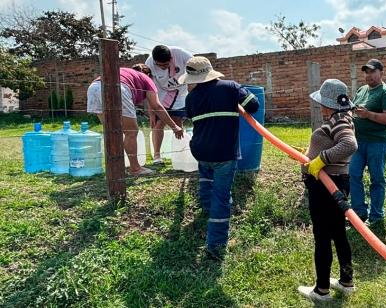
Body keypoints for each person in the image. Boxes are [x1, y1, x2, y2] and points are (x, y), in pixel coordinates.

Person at [183, 56, 259, 260]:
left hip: (200, 150)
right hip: (224, 153)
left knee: (206, 181)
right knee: (222, 197)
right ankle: (215, 245)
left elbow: (191, 116)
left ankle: (206, 213)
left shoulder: (191, 98)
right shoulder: (230, 87)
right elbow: (253, 105)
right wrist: (237, 96)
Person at [297, 79, 358, 302]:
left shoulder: (339, 120)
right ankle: (346, 281)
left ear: (331, 104)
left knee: (322, 236)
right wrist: (308, 155)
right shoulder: (342, 118)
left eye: (323, 102)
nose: (320, 106)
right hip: (335, 183)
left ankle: (321, 290)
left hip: (326, 187)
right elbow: (334, 144)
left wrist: (319, 160)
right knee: (338, 233)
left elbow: (349, 145)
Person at [86, 67, 183, 175]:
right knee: (131, 132)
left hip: (94, 87)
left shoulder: (127, 73)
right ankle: (135, 168)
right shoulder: (147, 79)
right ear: (148, 74)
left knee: (111, 131)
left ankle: (114, 169)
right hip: (117, 88)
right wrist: (174, 126)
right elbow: (157, 106)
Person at [349, 59, 386, 225]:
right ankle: (359, 212)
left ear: (381, 73)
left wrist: (368, 115)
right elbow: (353, 110)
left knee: (377, 178)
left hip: (377, 142)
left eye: (372, 71)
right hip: (358, 142)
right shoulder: (362, 90)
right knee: (353, 174)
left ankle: (376, 215)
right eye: (366, 72)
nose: (368, 75)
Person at [145, 45, 193, 164]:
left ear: (171, 58)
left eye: (165, 65)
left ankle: (181, 153)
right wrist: (151, 113)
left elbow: (197, 67)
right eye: (159, 65)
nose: (162, 67)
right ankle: (157, 156)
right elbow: (148, 89)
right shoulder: (149, 63)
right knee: (158, 123)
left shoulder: (182, 54)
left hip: (180, 94)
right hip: (160, 95)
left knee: (177, 122)